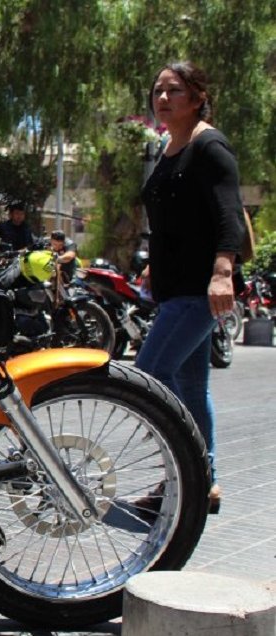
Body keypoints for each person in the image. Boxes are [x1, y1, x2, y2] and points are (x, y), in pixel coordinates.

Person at [136, 61, 246, 514]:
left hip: (201, 291)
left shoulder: (209, 146)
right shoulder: (169, 147)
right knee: (190, 386)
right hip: (175, 287)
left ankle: (183, 475)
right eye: (158, 91)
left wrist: (223, 271)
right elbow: (172, 220)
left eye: (174, 91)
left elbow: (228, 215)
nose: (163, 99)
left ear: (197, 98)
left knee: (147, 379)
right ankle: (202, 481)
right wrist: (151, 267)